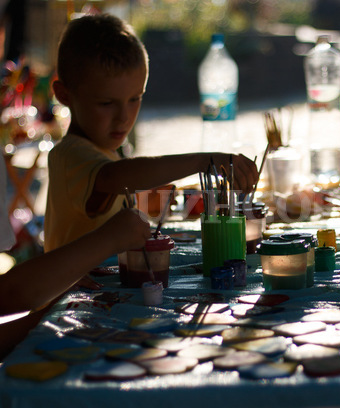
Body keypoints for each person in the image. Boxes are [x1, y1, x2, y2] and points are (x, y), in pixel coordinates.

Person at [44, 13, 258, 255]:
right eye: (106, 103)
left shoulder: (104, 152)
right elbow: (115, 178)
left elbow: (114, 196)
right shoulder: (69, 155)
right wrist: (203, 161)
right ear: (64, 96)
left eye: (135, 99)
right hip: (74, 291)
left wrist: (148, 197)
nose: (124, 117)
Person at [0, 153, 152, 360]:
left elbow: (7, 292)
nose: (121, 118)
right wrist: (49, 316)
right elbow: (9, 294)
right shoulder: (72, 153)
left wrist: (57, 294)